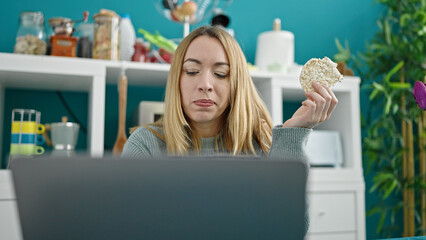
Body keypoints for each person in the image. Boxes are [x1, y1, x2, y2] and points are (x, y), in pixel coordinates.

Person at [122, 25, 338, 234]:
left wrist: (293, 133)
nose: (205, 84)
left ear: (236, 84)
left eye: (220, 73)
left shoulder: (265, 144)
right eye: (192, 71)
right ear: (177, 80)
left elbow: (290, 229)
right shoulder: (145, 145)